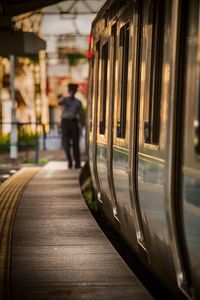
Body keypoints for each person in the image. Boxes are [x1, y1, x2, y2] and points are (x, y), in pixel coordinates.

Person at [58, 83, 84, 169]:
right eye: (71, 90)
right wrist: (65, 100)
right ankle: (69, 161)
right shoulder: (65, 99)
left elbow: (81, 115)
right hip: (65, 122)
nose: (72, 92)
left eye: (74, 90)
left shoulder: (78, 102)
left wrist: (82, 126)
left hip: (73, 122)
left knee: (76, 143)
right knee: (66, 143)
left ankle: (77, 163)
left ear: (76, 91)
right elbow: (59, 102)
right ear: (68, 91)